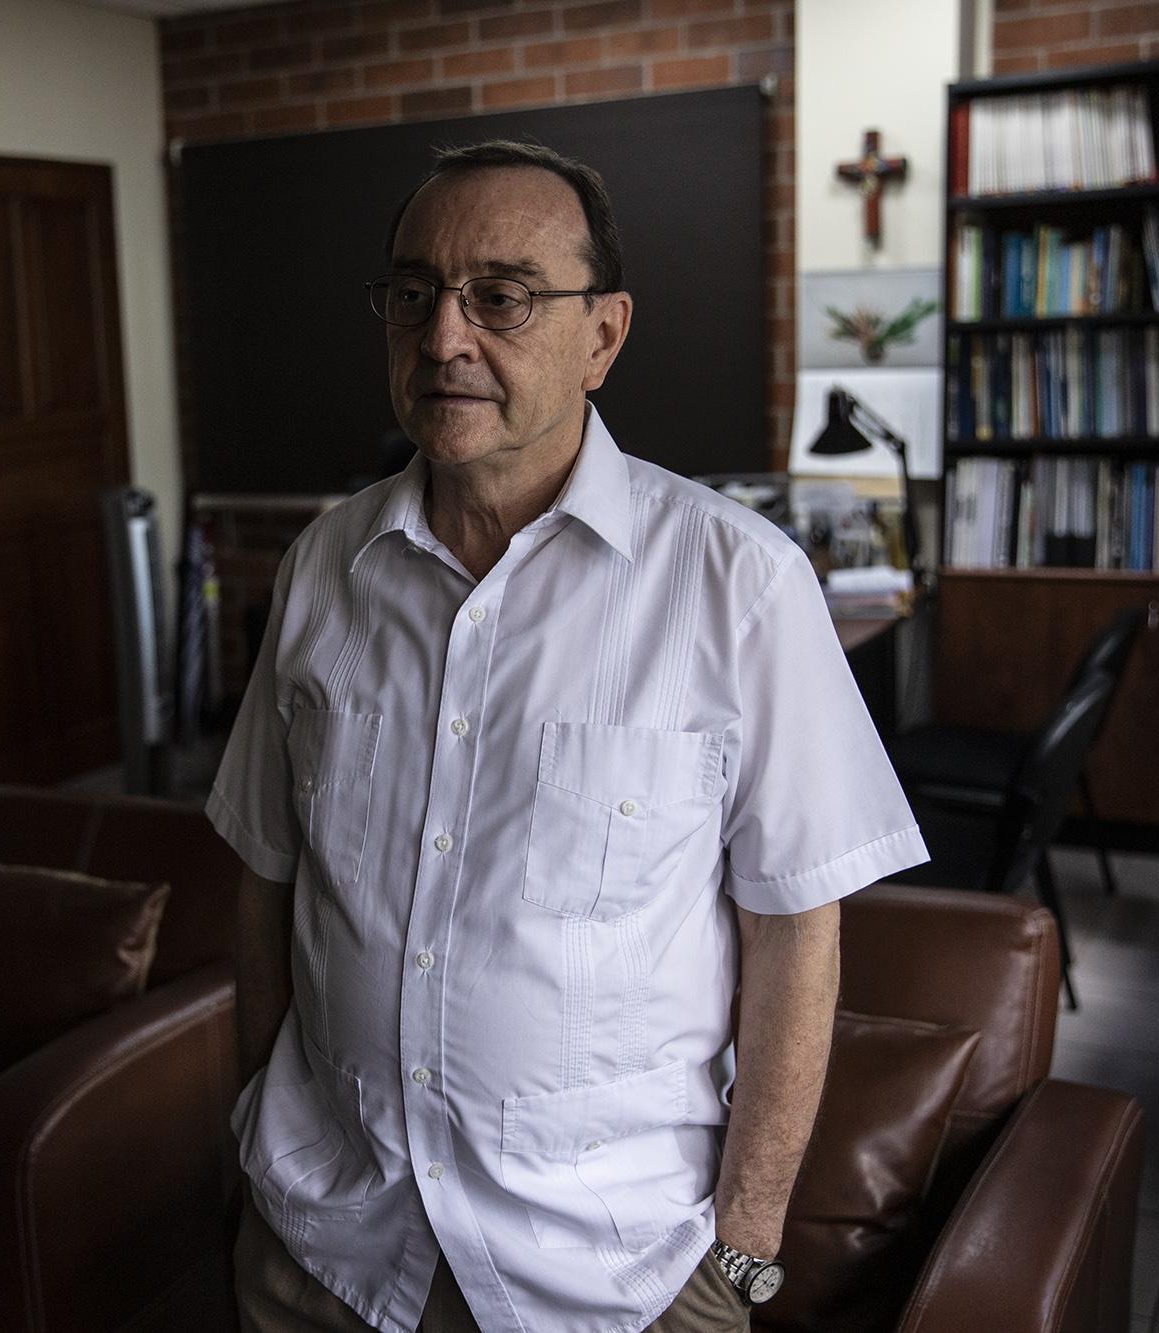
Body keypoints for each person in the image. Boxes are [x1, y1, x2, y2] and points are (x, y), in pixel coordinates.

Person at [207, 140, 928, 1333]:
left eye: (502, 296)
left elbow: (796, 938)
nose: (444, 338)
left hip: (611, 1282)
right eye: (412, 294)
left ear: (602, 336)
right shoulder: (320, 570)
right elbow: (264, 884)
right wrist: (254, 1138)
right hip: (321, 1248)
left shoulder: (735, 584)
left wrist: (739, 1255)